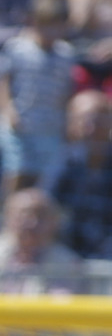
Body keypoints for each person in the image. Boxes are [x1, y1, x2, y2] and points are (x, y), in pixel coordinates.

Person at [0, 0, 77, 195]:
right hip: (19, 123)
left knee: (44, 177)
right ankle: (8, 208)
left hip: (50, 126)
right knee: (16, 169)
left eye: (56, 25)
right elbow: (2, 81)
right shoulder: (17, 48)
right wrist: (7, 110)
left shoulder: (66, 54)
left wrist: (67, 122)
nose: (51, 31)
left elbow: (66, 92)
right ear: (34, 22)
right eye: (46, 24)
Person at [50, 87, 112, 256]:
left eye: (98, 121)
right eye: (84, 121)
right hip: (71, 251)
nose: (91, 129)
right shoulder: (66, 161)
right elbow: (48, 203)